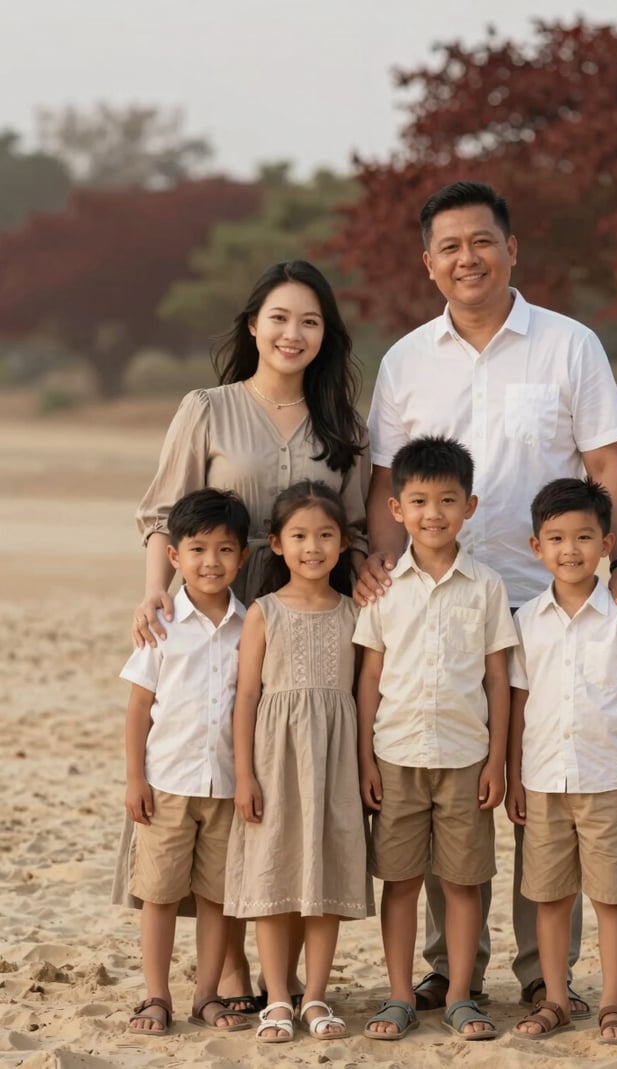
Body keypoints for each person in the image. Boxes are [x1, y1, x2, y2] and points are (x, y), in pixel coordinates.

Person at [355, 180, 617, 1014]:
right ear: (427, 263)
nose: (467, 258)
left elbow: (607, 468)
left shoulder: (568, 345)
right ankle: (449, 969)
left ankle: (538, 973)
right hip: (434, 606)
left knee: (537, 783)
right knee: (444, 774)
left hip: (542, 602)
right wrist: (381, 576)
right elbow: (386, 481)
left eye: (482, 241)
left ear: (512, 248)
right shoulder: (405, 359)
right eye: (448, 246)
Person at [126, 259, 369, 1011]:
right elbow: (165, 515)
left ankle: (283, 975)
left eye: (310, 321)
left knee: (286, 797)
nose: (293, 333)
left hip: (309, 622)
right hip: (218, 613)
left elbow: (355, 532)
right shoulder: (208, 406)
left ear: (326, 335)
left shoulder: (344, 426)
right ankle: (227, 971)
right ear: (253, 325)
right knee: (222, 787)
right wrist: (154, 594)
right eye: (280, 318)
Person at [354, 437, 517, 1041]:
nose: (433, 513)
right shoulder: (383, 588)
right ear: (395, 508)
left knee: (462, 881)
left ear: (469, 506)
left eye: (447, 500)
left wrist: (497, 760)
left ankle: (457, 995)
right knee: (399, 881)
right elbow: (369, 676)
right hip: (395, 756)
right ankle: (399, 994)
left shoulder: (487, 587)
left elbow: (497, 678)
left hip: (465, 757)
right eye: (418, 500)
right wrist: (365, 758)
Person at [507, 477, 617, 1043]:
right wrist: (512, 778)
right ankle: (554, 998)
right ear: (536, 547)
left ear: (606, 542)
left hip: (605, 781)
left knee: (611, 897)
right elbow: (518, 703)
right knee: (549, 896)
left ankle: (615, 1004)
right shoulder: (526, 622)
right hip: (543, 780)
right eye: (556, 538)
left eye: (583, 537)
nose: (570, 550)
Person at [224, 481, 372, 1043]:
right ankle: (279, 997)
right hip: (273, 760)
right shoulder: (263, 613)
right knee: (275, 870)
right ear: (278, 545)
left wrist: (363, 767)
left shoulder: (354, 612)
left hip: (333, 761)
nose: (314, 547)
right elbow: (245, 697)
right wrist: (244, 774)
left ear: (342, 544)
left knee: (325, 869)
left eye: (326, 535)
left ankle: (315, 995)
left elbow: (362, 697)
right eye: (300, 536)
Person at [121, 488, 252, 1036]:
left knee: (217, 896)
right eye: (197, 549)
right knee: (159, 893)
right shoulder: (162, 625)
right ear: (174, 556)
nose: (211, 562)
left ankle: (206, 995)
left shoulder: (253, 627)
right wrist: (135, 778)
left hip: (224, 786)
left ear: (242, 558)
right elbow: (138, 708)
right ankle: (156, 995)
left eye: (225, 550)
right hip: (168, 782)